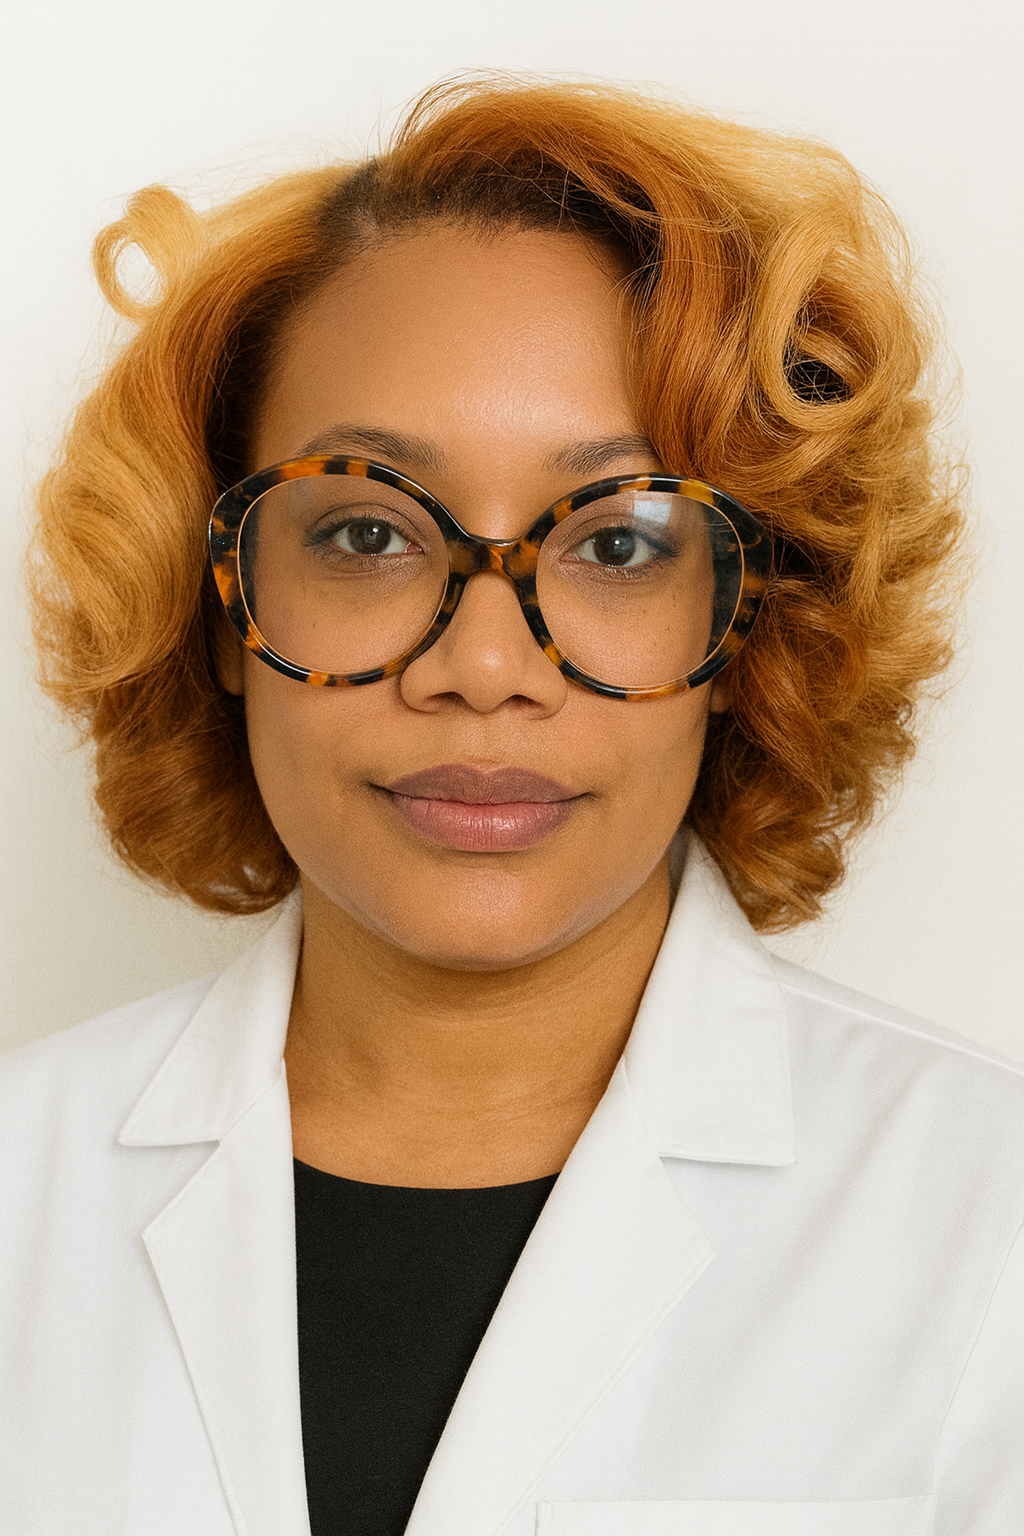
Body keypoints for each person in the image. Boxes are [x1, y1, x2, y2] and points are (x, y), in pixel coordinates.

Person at [2, 74, 1021, 1536]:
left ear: (745, 628)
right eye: (366, 531)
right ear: (221, 603)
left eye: (618, 541)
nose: (484, 668)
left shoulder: (993, 1226)